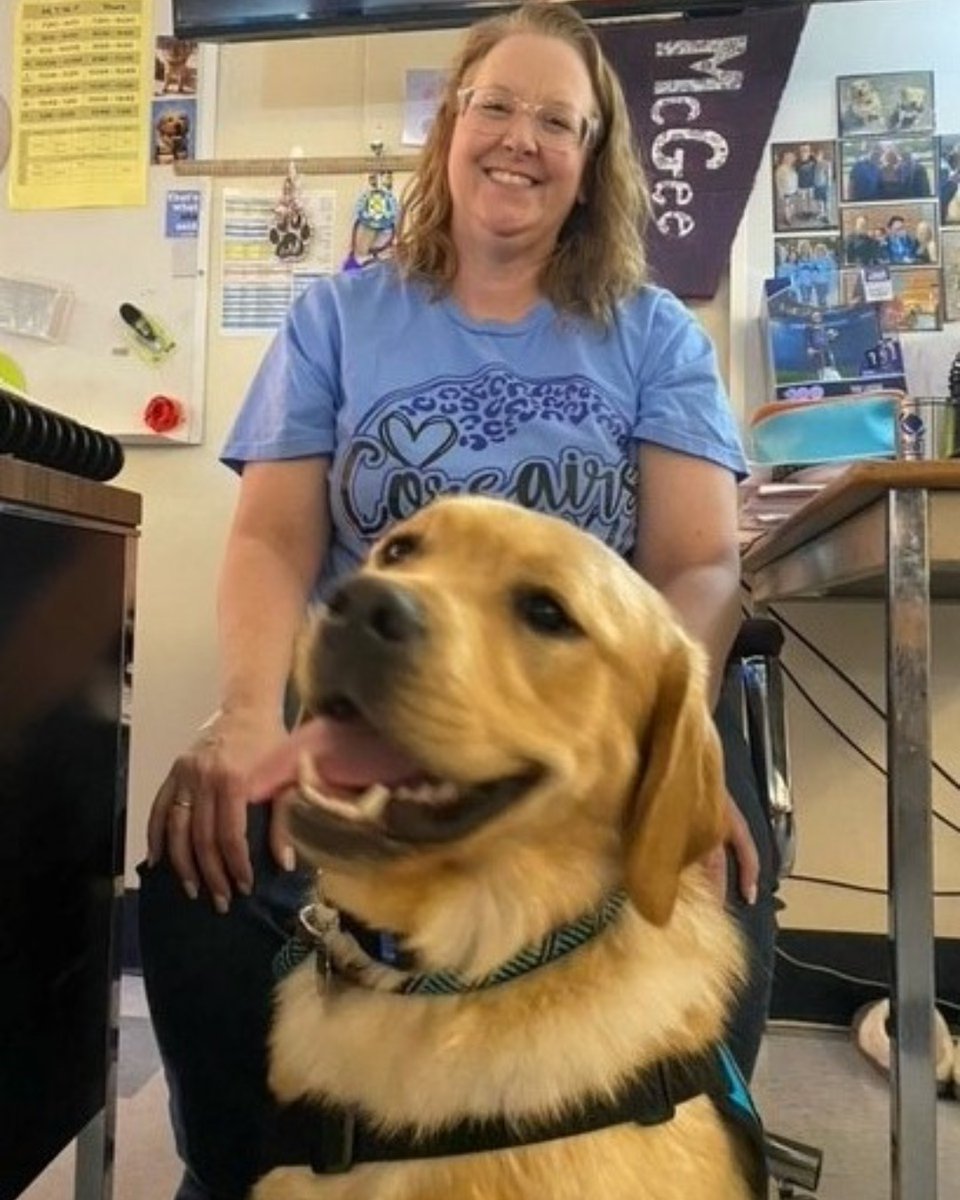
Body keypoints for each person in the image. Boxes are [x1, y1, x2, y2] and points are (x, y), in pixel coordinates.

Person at [138, 5, 777, 1199]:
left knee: (722, 870)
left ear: (594, 163)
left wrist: (663, 740)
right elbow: (276, 539)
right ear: (450, 128)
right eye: (497, 106)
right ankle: (243, 1173)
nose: (520, 138)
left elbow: (697, 566)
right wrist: (241, 715)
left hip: (578, 708)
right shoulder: (337, 316)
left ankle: (665, 1153)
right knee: (197, 866)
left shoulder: (651, 335)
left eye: (559, 120)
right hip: (365, 702)